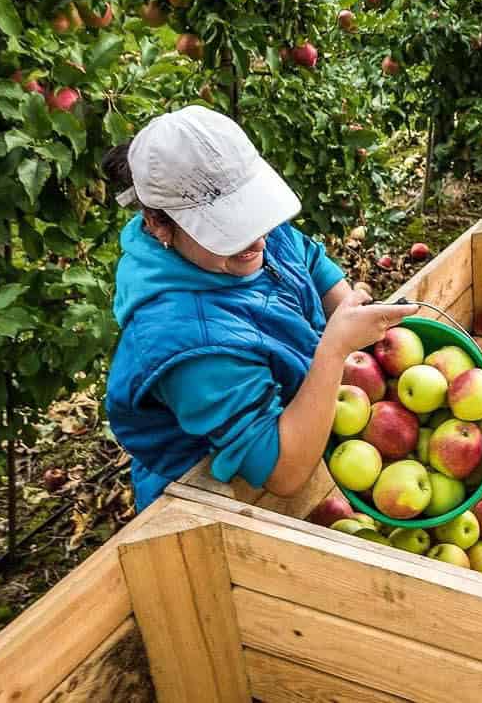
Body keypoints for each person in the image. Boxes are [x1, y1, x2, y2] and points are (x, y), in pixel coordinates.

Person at [103, 105, 415, 511]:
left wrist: (350, 313)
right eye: (227, 229)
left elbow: (304, 259)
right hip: (213, 505)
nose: (257, 241)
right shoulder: (183, 342)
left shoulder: (247, 237)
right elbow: (283, 473)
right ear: (160, 225)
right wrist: (335, 350)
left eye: (255, 215)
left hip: (307, 419)